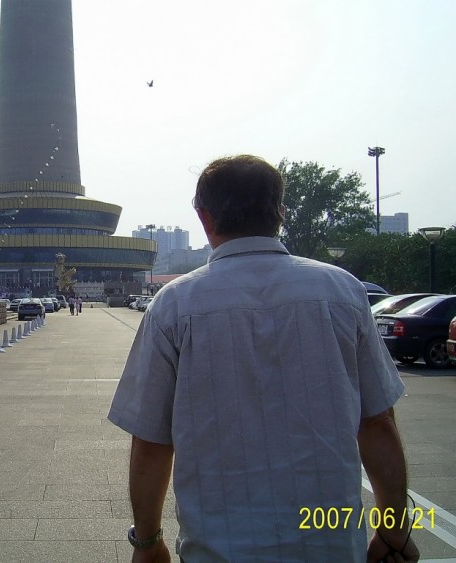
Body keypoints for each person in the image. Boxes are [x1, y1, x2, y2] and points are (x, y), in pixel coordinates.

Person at [108, 155, 418, 563]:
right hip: (330, 543)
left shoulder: (174, 306)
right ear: (281, 214)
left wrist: (148, 543)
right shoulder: (343, 292)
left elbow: (151, 442)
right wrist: (394, 533)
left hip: (218, 547)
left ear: (204, 218)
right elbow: (377, 423)